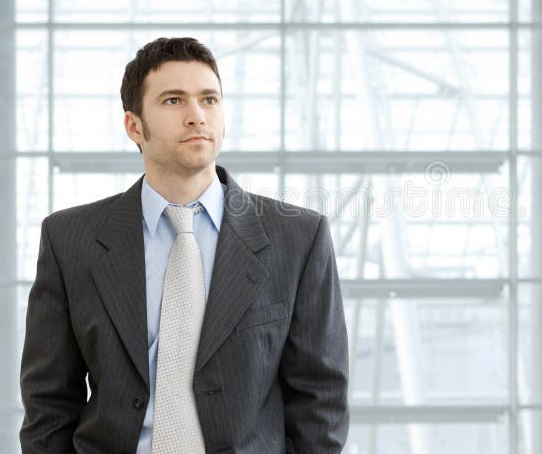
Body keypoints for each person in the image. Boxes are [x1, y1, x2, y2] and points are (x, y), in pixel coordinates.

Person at [19, 37, 349, 454]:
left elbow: (321, 399)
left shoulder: (299, 238)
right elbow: (48, 403)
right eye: (173, 101)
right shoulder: (70, 240)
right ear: (134, 126)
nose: (197, 116)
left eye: (209, 99)